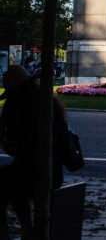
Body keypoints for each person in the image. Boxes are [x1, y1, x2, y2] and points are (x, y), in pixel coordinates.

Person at [0, 65, 68, 240]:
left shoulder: (14, 109)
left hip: (29, 173)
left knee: (6, 182)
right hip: (54, 172)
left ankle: (24, 226)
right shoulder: (50, 104)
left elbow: (10, 147)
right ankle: (28, 227)